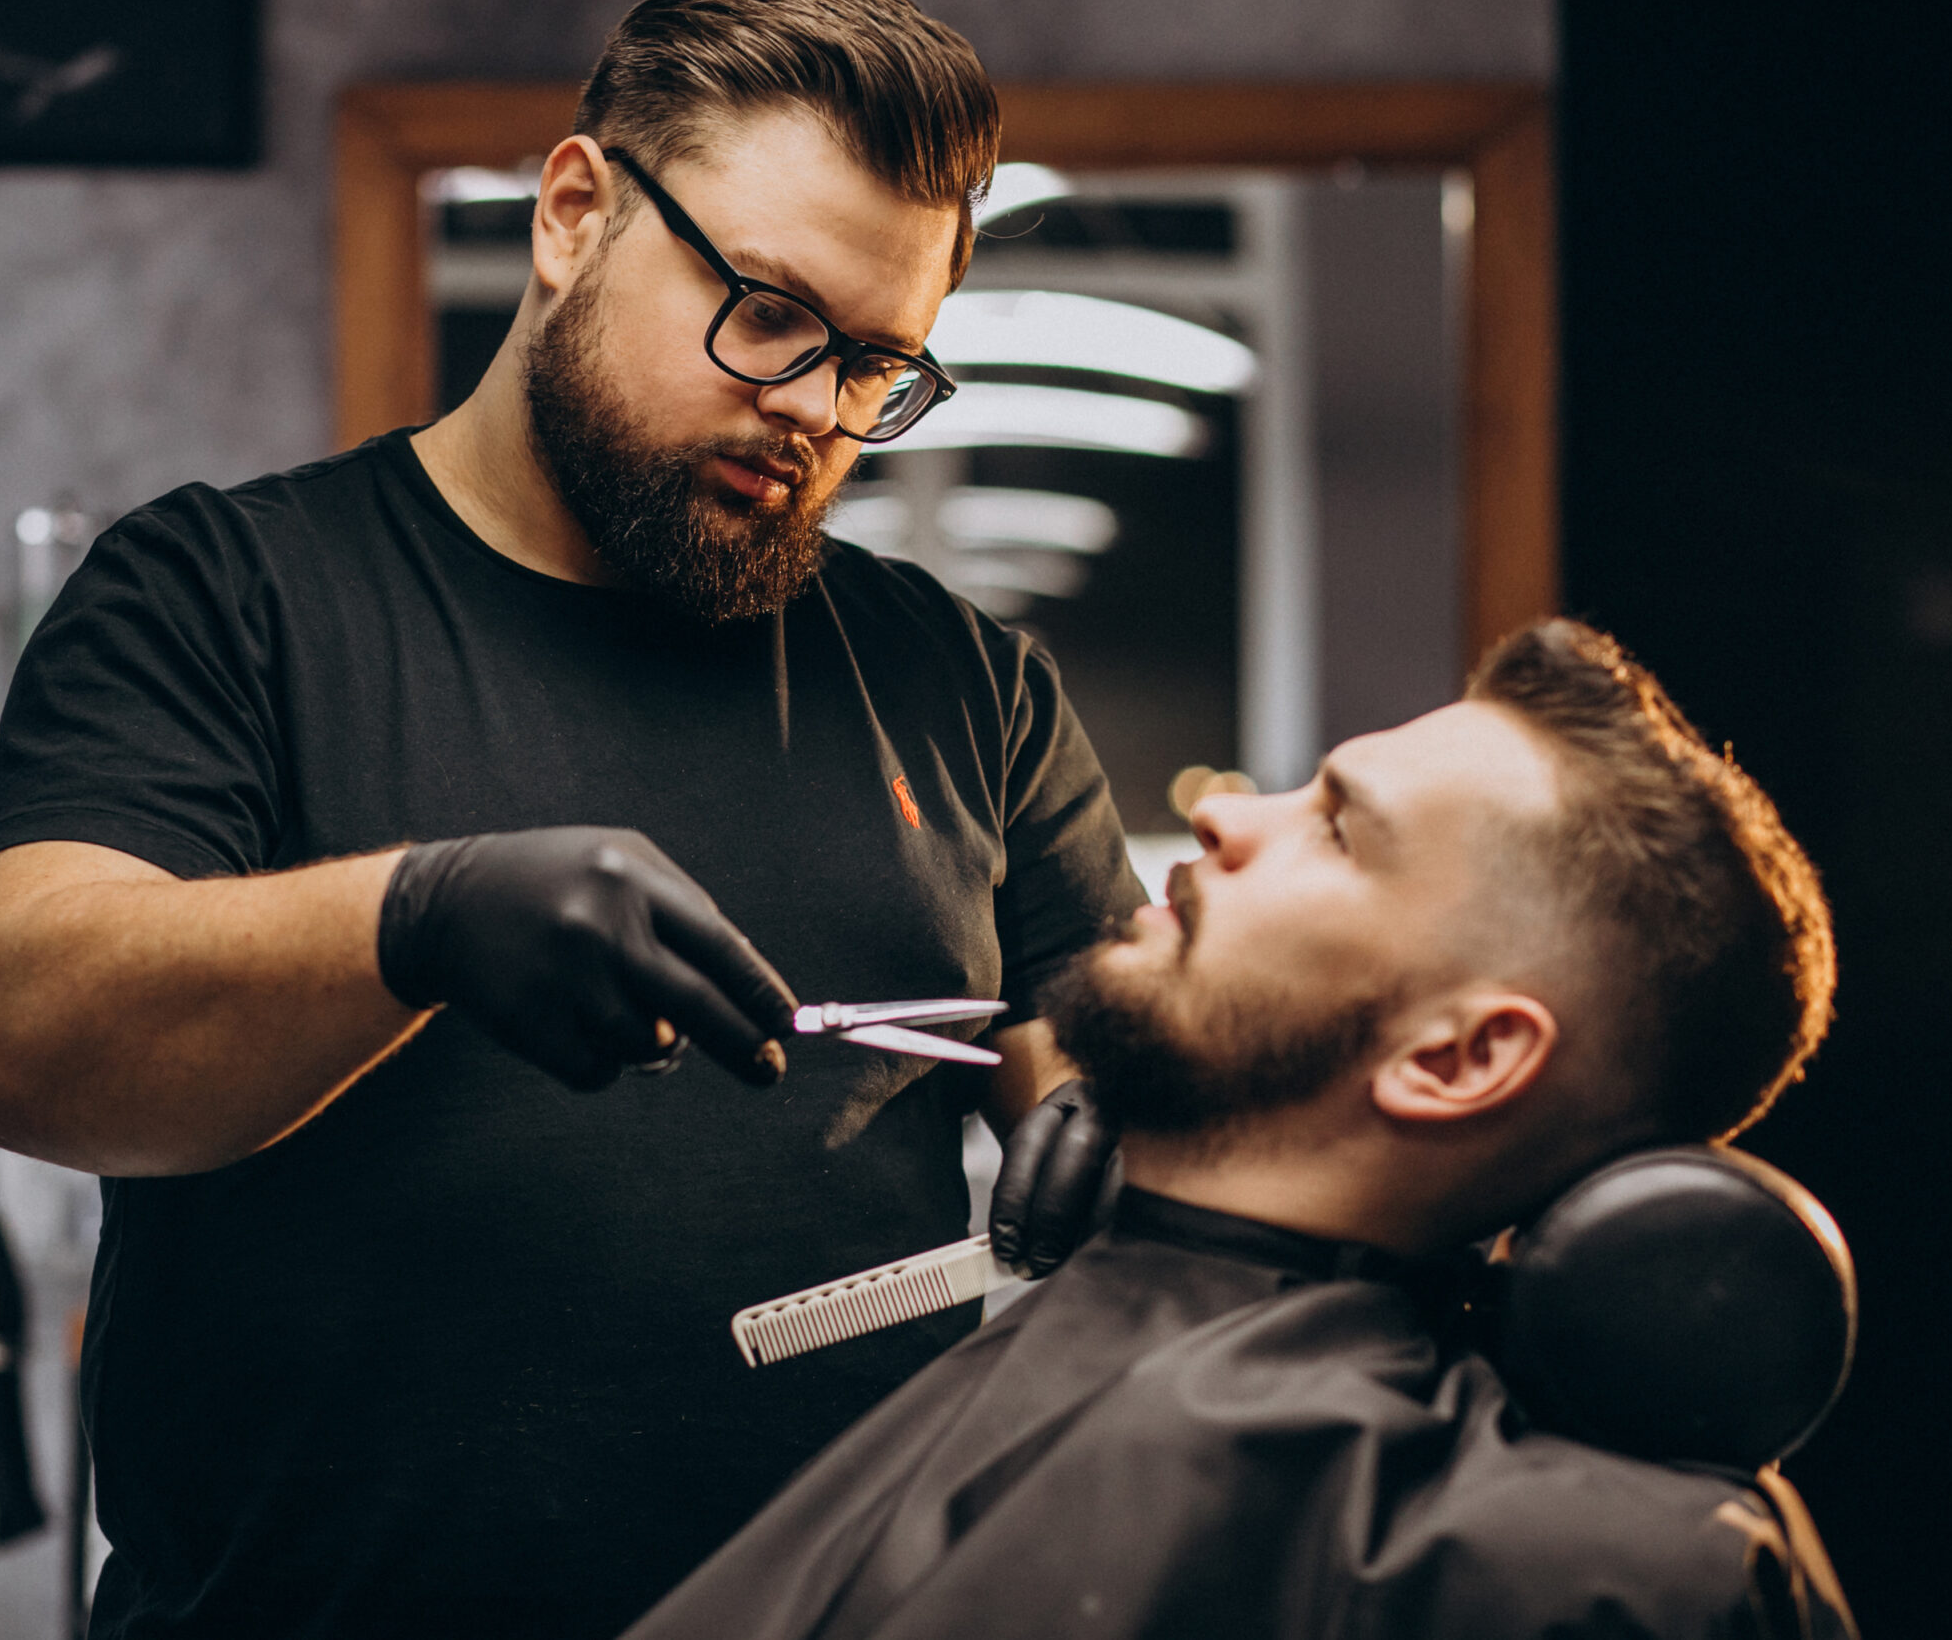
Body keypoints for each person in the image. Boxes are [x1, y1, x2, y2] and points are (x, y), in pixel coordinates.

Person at [0, 0, 1144, 1638]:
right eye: (772, 313)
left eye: (879, 364)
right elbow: (25, 1037)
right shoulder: (223, 595)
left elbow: (1107, 1074)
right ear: (575, 210)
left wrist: (1121, 1131)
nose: (812, 406)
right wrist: (411, 921)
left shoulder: (963, 683)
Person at [624, 618, 1859, 1640]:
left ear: (1460, 1055)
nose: (1230, 815)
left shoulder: (1541, 1574)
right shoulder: (1140, 1335)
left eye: (1337, 827)